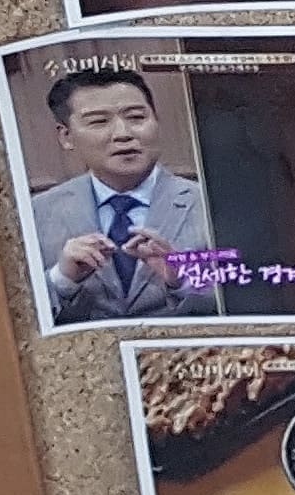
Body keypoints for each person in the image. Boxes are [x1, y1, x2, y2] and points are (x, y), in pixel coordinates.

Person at [23, 63, 218, 324]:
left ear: (156, 121)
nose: (123, 134)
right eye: (99, 122)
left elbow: (250, 301)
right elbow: (14, 316)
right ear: (66, 136)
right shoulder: (36, 214)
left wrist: (182, 279)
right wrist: (62, 279)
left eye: (136, 118)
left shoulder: (211, 203)